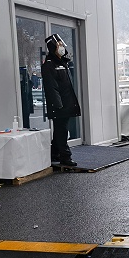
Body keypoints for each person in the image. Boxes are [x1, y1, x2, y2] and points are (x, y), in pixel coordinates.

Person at [42, 33, 80, 166]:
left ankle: (54, 153)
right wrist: (58, 105)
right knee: (62, 131)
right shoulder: (49, 65)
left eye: (62, 45)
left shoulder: (63, 63)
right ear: (53, 47)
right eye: (59, 45)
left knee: (60, 130)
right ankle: (66, 157)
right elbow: (51, 87)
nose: (62, 47)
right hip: (59, 105)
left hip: (66, 103)